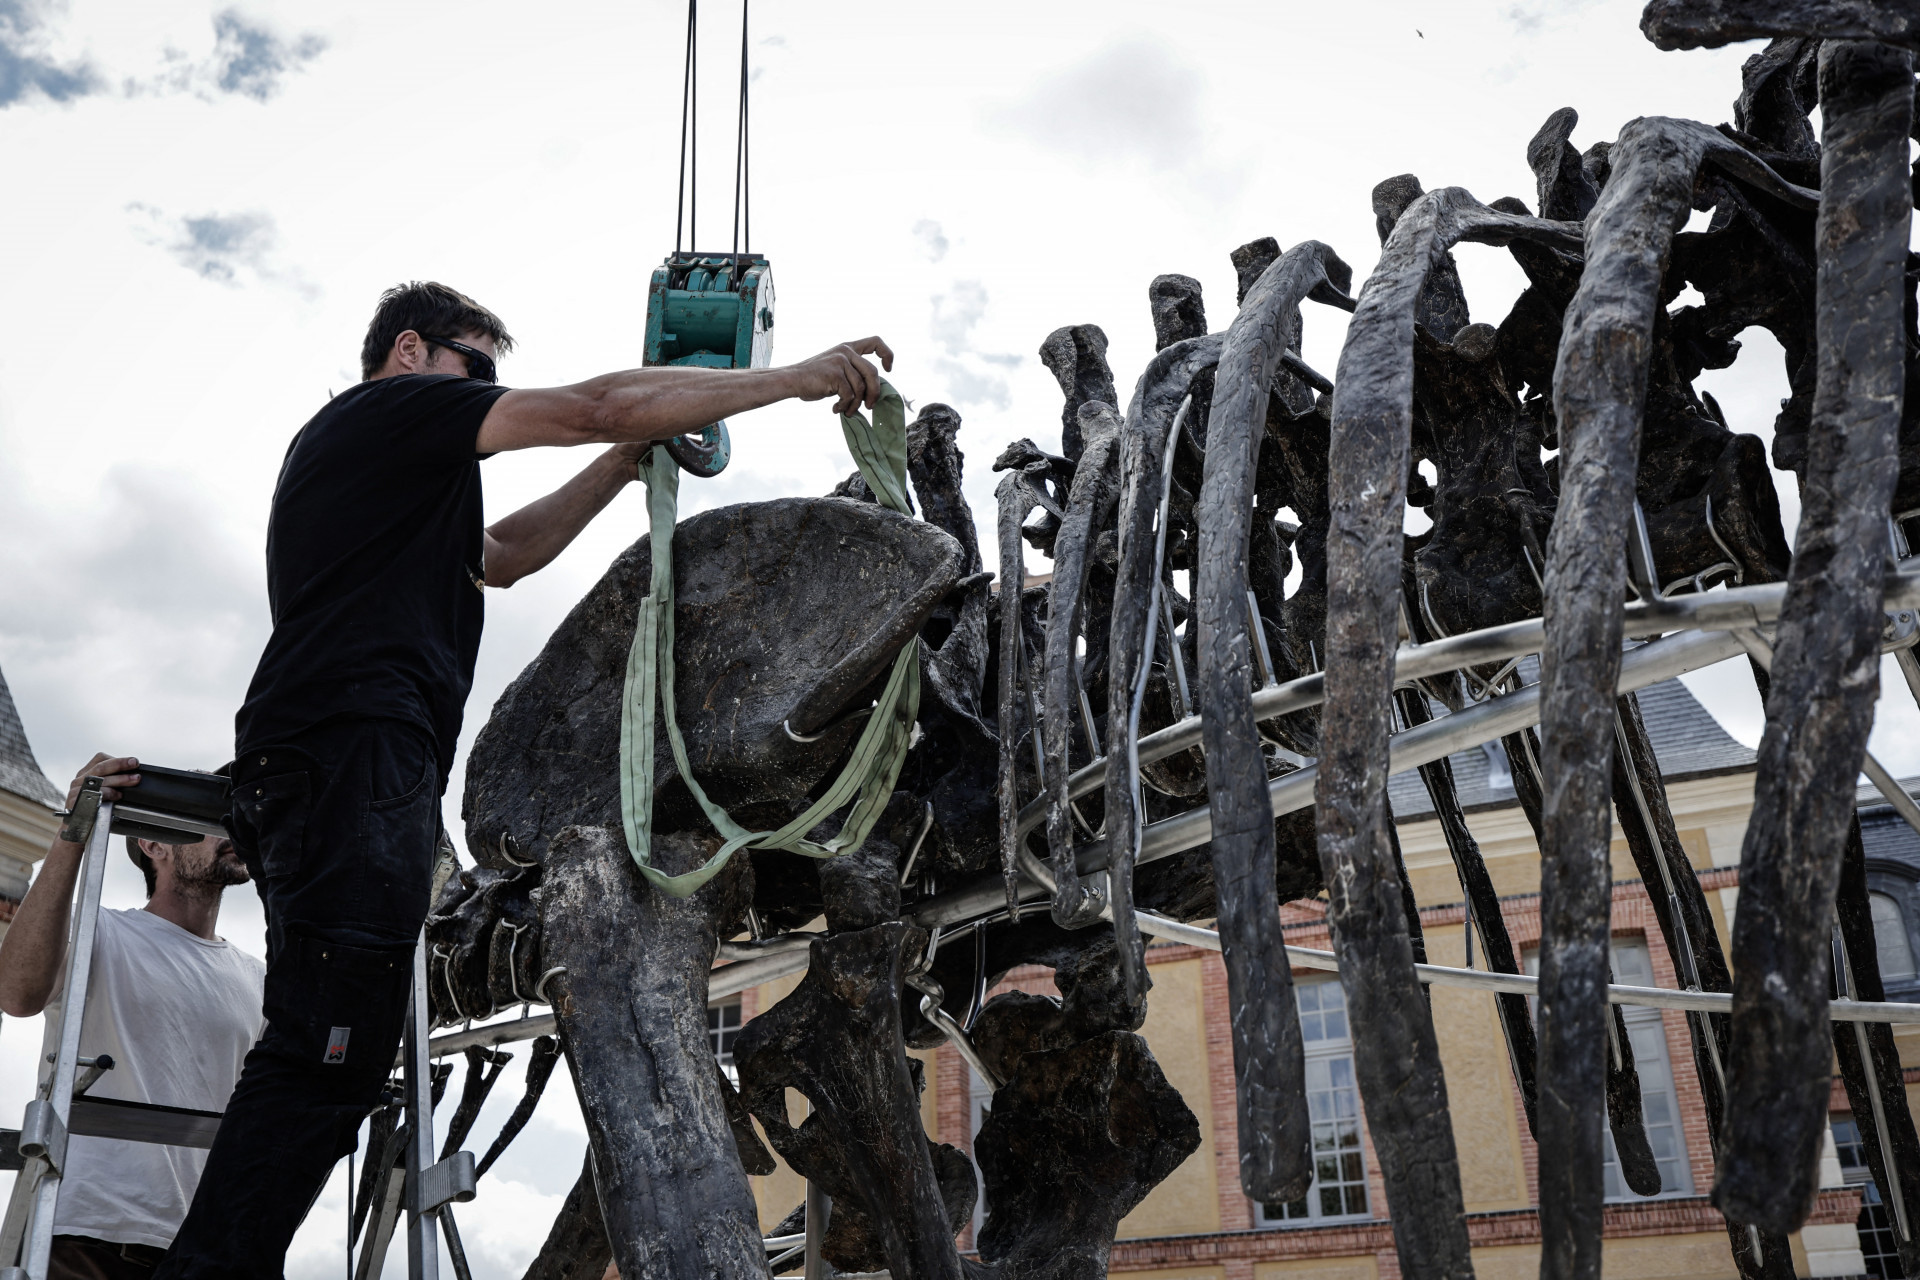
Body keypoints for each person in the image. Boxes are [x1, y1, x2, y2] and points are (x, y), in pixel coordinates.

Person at [152, 281, 893, 1278]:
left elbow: (502, 555)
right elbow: (597, 402)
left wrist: (620, 465)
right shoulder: (390, 409)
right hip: (351, 750)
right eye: (474, 369)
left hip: (328, 757)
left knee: (332, 1050)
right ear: (408, 351)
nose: (483, 391)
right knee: (321, 1052)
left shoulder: (392, 480)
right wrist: (794, 379)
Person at [0, 753, 265, 1280]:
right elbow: (17, 994)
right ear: (153, 843)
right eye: (208, 818)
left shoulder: (258, 978)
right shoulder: (98, 931)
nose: (229, 829)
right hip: (85, 1234)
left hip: (201, 1247)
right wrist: (74, 829)